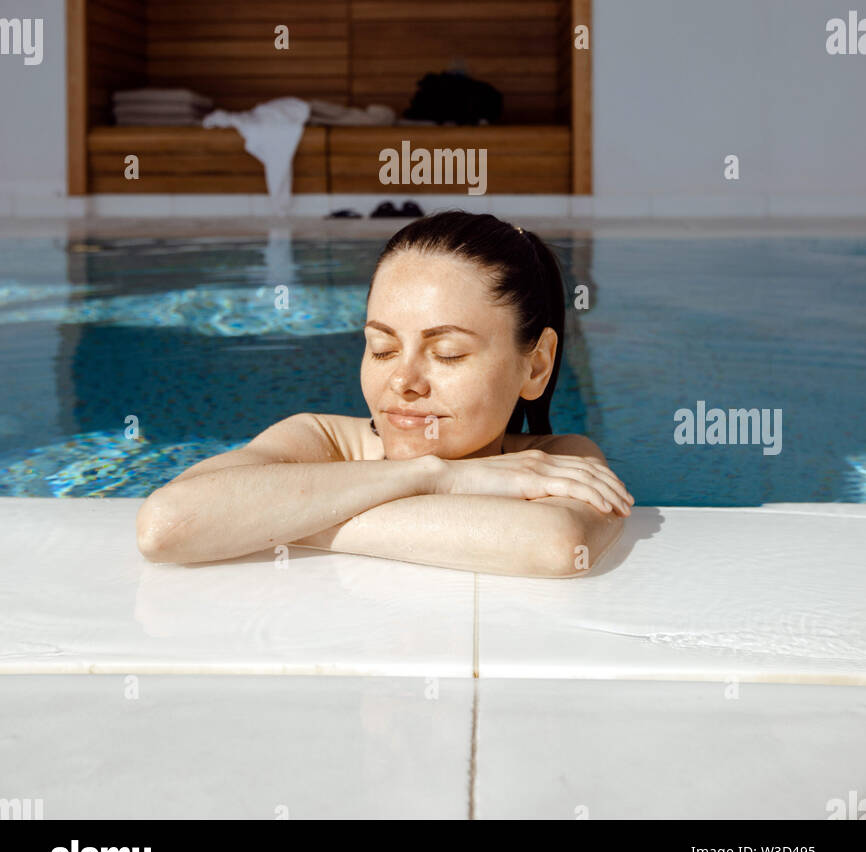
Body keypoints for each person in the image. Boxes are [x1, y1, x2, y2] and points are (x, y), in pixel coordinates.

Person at [136, 210, 633, 578]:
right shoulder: (320, 438)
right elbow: (165, 525)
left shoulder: (557, 460)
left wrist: (270, 518)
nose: (403, 381)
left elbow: (556, 546)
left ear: (537, 364)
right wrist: (437, 478)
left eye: (448, 354)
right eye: (381, 348)